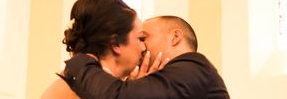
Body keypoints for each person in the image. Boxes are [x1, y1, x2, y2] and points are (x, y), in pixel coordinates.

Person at [62, 15, 230, 99]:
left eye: (144, 38)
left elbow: (118, 97)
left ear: (175, 37)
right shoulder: (175, 77)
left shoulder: (194, 66)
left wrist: (81, 61)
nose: (140, 46)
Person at [40, 0, 148, 98]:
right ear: (115, 43)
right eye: (141, 39)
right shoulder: (86, 90)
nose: (144, 47)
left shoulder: (89, 84)